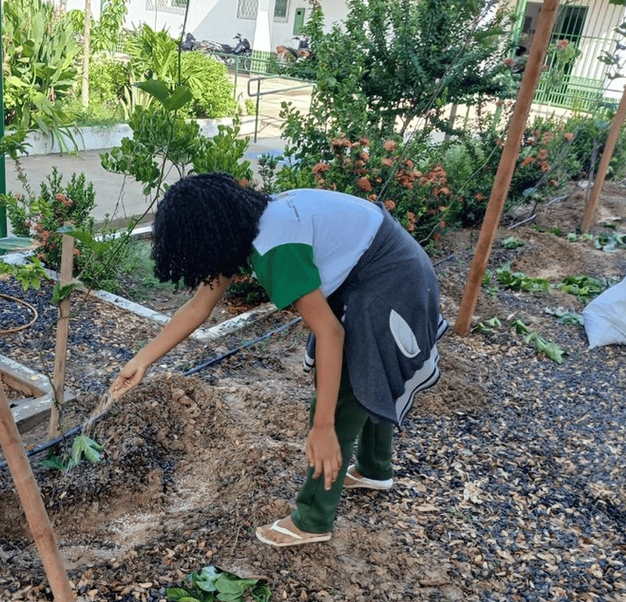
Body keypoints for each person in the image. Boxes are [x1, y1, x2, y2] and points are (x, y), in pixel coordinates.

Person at [110, 173, 447, 547]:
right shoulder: (243, 224)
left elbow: (331, 334)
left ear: (209, 233)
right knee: (366, 374)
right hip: (377, 268)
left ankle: (313, 519)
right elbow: (198, 306)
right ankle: (374, 467)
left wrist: (321, 428)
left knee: (342, 394)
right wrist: (141, 360)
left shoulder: (275, 247)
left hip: (392, 282)